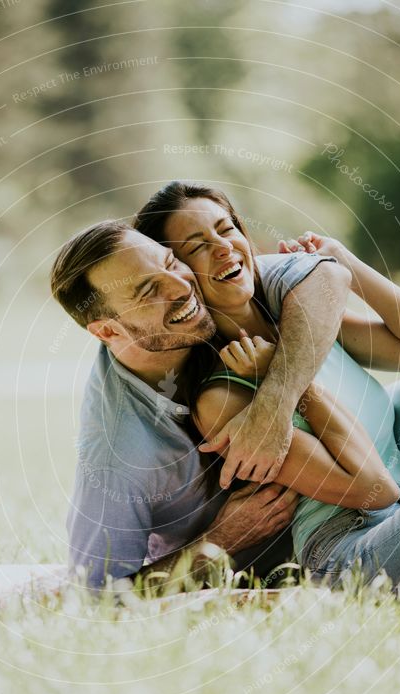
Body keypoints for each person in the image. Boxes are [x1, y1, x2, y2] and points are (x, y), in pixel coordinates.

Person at [133, 182, 400, 586]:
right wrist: (288, 385)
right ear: (179, 276)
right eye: (197, 246)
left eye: (226, 229)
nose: (223, 247)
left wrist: (344, 263)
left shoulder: (301, 324)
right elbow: (373, 490)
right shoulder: (220, 396)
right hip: (350, 549)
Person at [50, 215, 351, 590]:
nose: (182, 286)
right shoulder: (118, 454)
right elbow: (98, 595)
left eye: (169, 263)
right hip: (313, 553)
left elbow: (326, 277)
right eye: (148, 291)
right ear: (109, 330)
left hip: (368, 468)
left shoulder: (204, 295)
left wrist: (276, 398)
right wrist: (222, 539)